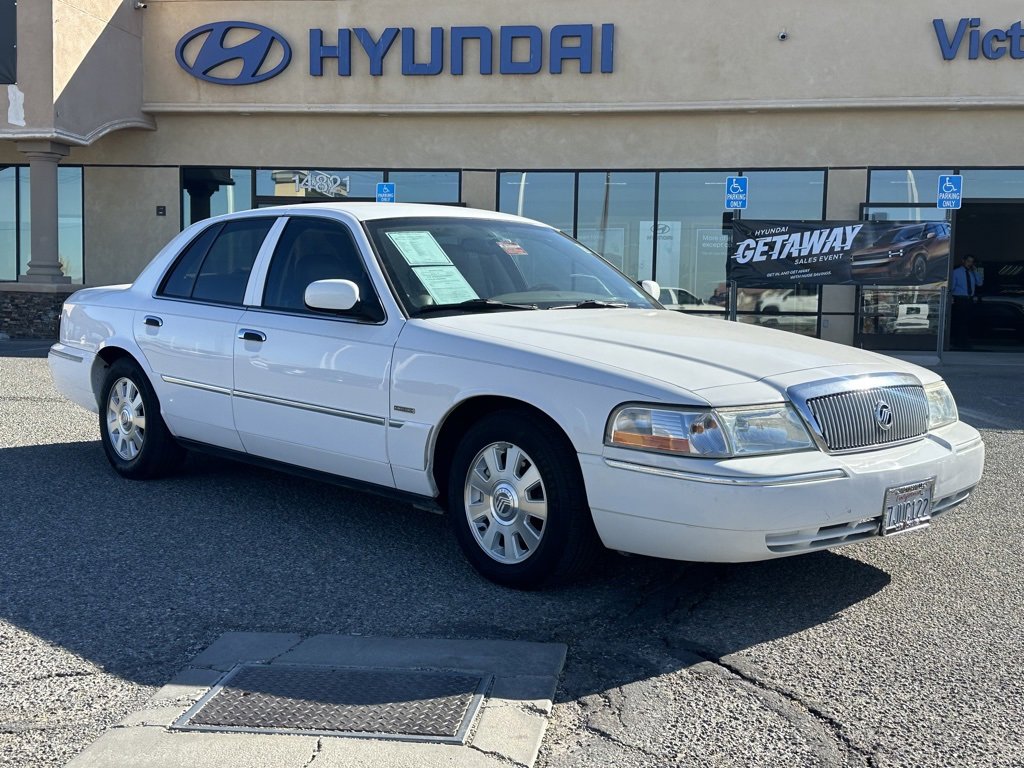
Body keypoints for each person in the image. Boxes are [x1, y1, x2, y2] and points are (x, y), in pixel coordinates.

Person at [950, 254, 983, 349]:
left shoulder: (972, 273)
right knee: (960, 321)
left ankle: (965, 341)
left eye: (972, 262)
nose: (970, 263)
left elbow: (980, 283)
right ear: (963, 261)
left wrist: (975, 272)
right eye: (968, 261)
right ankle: (958, 342)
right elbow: (952, 287)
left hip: (969, 299)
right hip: (960, 299)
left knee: (967, 321)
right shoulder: (956, 272)